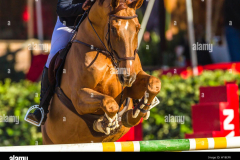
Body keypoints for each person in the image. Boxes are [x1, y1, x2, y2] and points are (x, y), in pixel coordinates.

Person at [25, 0, 92, 126]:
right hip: (68, 26)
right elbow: (62, 8)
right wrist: (82, 7)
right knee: (52, 58)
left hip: (93, 28)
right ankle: (42, 108)